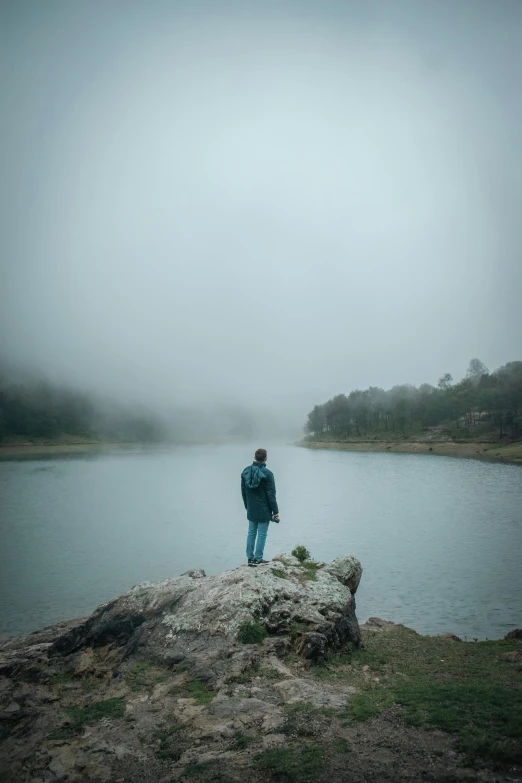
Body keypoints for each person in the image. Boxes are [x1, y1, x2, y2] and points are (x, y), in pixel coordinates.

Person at [241, 448, 279, 566]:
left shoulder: (245, 471)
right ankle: (258, 558)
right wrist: (275, 511)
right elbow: (271, 495)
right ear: (266, 458)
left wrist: (247, 506)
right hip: (264, 509)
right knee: (262, 533)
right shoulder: (268, 474)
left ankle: (250, 558)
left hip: (251, 507)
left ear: (254, 457)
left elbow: (243, 492)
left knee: (251, 532)